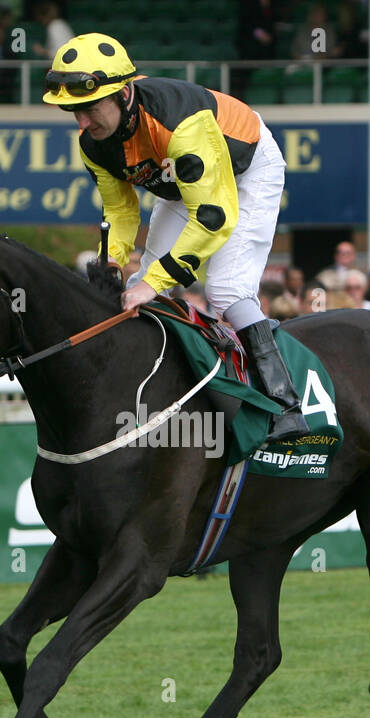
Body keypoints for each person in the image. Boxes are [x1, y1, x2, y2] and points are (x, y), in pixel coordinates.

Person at [43, 32, 305, 441]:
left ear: (124, 94)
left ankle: (285, 404)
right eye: (72, 111)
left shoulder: (180, 123)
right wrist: (109, 262)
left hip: (245, 168)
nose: (81, 122)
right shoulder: (92, 142)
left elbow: (213, 217)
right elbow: (121, 211)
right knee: (134, 289)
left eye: (90, 108)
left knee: (227, 291)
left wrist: (156, 281)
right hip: (182, 180)